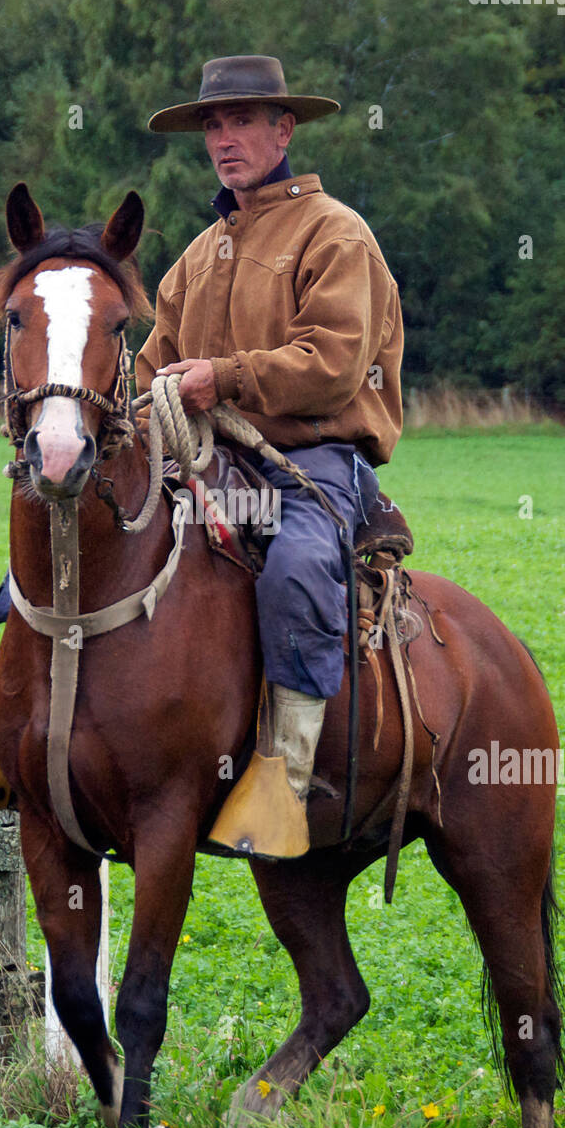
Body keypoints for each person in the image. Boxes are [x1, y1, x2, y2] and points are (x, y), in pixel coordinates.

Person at [136, 55, 404, 857]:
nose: (225, 138)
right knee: (77, 527)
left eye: (244, 120)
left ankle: (285, 777)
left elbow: (333, 365)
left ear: (285, 130)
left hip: (309, 464)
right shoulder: (195, 255)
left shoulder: (337, 233)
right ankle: (15, 725)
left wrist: (225, 377)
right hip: (203, 462)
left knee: (293, 568)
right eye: (214, 125)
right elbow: (153, 367)